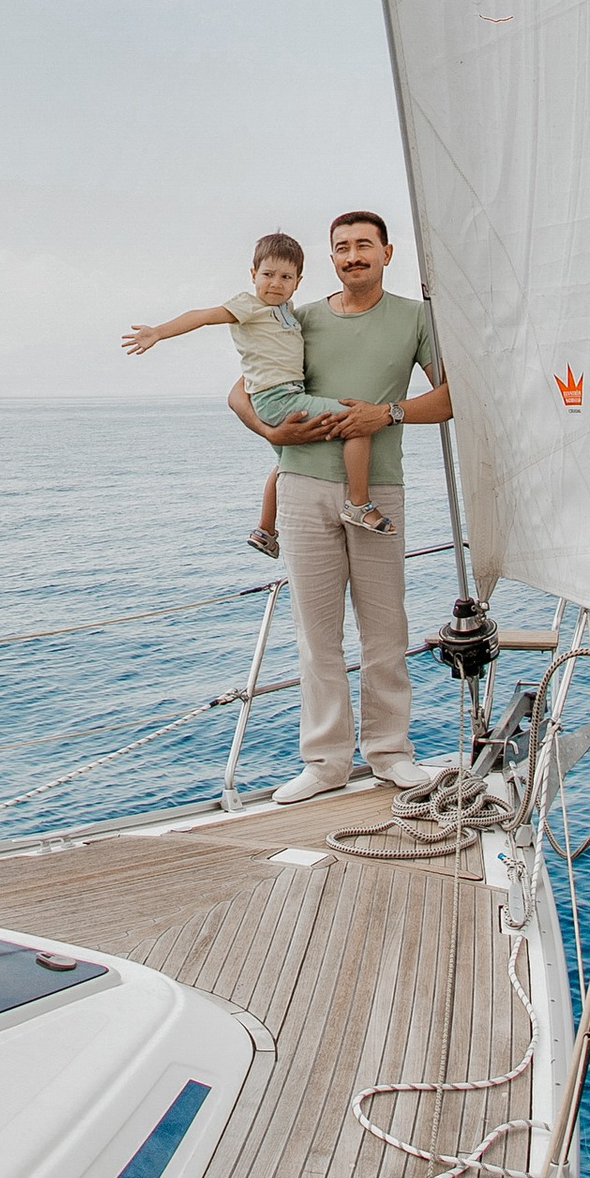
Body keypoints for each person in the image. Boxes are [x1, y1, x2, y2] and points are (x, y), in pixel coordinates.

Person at [226, 209, 449, 804]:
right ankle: (324, 761)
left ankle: (390, 753)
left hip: (377, 489)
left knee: (385, 628)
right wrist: (271, 435)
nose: (353, 256)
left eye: (364, 246)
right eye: (342, 247)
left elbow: (452, 397)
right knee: (316, 634)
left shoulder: (415, 317)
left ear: (387, 252)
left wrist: (389, 412)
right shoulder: (297, 317)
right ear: (331, 258)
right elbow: (239, 392)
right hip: (300, 487)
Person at [120, 236, 388, 553]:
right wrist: (158, 333)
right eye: (268, 275)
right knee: (357, 422)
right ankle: (359, 503)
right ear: (253, 274)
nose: (276, 283)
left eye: (286, 277)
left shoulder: (287, 311)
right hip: (277, 397)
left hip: (286, 393)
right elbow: (203, 316)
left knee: (286, 462)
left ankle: (264, 530)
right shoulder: (249, 306)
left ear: (298, 282)